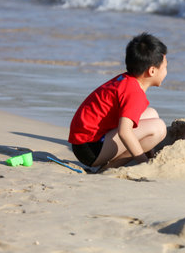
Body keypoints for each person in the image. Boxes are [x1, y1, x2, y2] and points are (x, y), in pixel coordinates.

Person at [69, 32, 168, 171]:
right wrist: (145, 164)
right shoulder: (134, 93)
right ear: (152, 71)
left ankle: (140, 155)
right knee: (158, 128)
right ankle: (109, 167)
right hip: (90, 149)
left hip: (84, 141)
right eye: (165, 68)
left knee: (152, 114)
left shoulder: (128, 80)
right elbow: (124, 132)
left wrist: (148, 149)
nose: (166, 72)